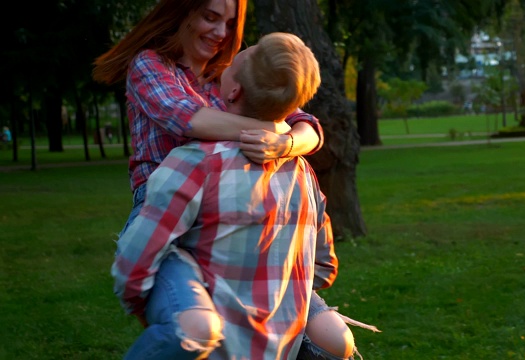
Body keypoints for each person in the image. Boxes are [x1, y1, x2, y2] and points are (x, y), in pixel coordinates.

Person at [112, 32, 369, 359]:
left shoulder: (196, 162)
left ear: (232, 91)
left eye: (234, 63)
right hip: (279, 350)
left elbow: (136, 262)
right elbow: (323, 266)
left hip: (214, 346)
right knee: (335, 341)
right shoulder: (303, 173)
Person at [92, 0, 324, 240]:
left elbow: (309, 129)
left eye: (230, 24)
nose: (222, 33)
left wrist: (285, 144)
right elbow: (188, 120)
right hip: (164, 207)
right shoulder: (150, 64)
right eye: (211, 18)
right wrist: (275, 129)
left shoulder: (231, 75)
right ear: (184, 12)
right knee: (143, 271)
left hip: (231, 201)